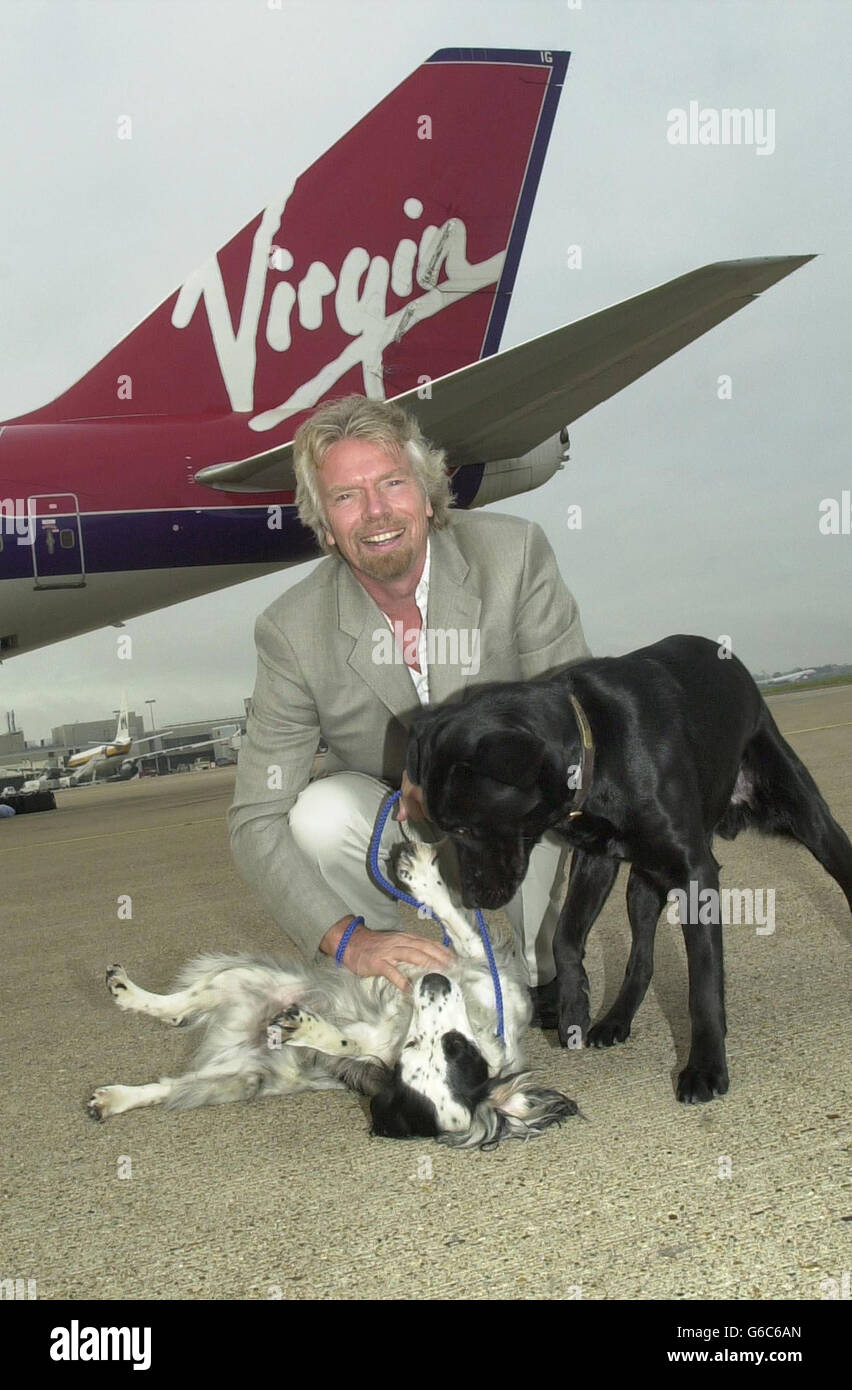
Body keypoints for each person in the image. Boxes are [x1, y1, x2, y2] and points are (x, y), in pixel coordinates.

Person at [228, 394, 591, 1007]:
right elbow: (254, 817)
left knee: (551, 782)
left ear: (427, 493)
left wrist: (453, 771)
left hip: (512, 809)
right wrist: (347, 941)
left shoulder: (516, 556)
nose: (375, 512)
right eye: (346, 496)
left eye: (392, 483)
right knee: (316, 813)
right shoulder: (289, 629)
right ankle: (394, 979)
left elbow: (579, 727)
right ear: (325, 527)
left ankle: (544, 966)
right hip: (402, 829)